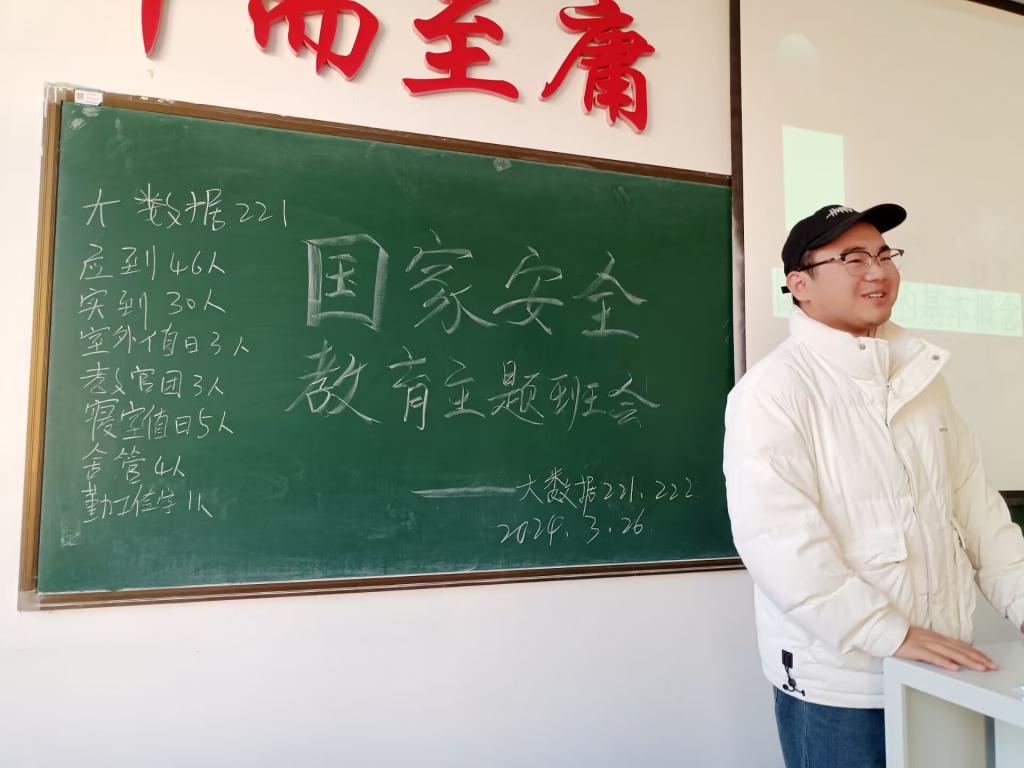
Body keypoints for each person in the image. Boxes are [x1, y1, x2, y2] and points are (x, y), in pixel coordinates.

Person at [723, 203, 1024, 768]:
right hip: (844, 685)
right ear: (800, 285)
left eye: (885, 255)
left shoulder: (922, 380)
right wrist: (887, 634)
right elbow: (779, 544)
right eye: (853, 259)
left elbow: (978, 511)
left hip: (943, 669)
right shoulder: (773, 392)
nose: (878, 271)